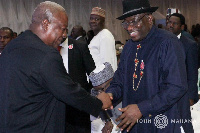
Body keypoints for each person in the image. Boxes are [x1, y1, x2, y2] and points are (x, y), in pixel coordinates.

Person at [0, 1, 112, 133]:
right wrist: (98, 103)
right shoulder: (47, 55)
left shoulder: (11, 47)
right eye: (62, 28)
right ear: (46, 24)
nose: (64, 35)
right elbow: (67, 90)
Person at [106, 0, 194, 133]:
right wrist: (110, 94)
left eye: (134, 21)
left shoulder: (168, 43)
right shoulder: (129, 46)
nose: (129, 28)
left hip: (163, 122)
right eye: (126, 23)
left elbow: (177, 87)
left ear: (149, 18)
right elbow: (120, 79)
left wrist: (142, 108)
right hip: (133, 125)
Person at [60, 36, 95, 133]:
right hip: (57, 108)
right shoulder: (47, 48)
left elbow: (93, 75)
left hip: (79, 108)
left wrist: (87, 97)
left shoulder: (79, 46)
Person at [167, 13, 199, 106]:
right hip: (164, 94)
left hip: (182, 95)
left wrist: (190, 97)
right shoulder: (160, 41)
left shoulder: (189, 45)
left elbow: (192, 74)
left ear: (182, 27)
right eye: (169, 22)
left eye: (175, 23)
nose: (171, 25)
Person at [89, 62, 121, 133]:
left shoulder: (126, 92)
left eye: (102, 89)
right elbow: (101, 107)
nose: (100, 94)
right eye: (97, 91)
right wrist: (107, 121)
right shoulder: (97, 94)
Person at [88, 7, 117, 71]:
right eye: (91, 18)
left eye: (97, 19)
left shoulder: (105, 35)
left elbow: (107, 64)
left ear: (103, 22)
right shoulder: (97, 36)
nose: (93, 21)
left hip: (103, 80)